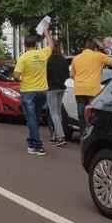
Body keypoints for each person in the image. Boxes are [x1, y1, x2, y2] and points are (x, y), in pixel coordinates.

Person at [13, 26, 54, 156]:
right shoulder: (42, 53)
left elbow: (15, 75)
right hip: (42, 91)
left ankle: (37, 146)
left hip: (28, 91)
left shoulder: (23, 58)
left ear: (25, 45)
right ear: (36, 44)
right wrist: (46, 32)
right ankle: (31, 143)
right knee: (35, 118)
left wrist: (20, 78)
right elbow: (52, 45)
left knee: (31, 119)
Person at [71, 38, 112, 136]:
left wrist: (80, 81)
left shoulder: (76, 58)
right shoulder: (99, 56)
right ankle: (91, 135)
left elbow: (72, 75)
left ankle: (83, 134)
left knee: (81, 114)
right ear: (95, 48)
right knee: (92, 114)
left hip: (79, 89)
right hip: (92, 90)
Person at [46, 40, 70, 147]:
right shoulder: (64, 60)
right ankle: (55, 136)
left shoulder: (49, 60)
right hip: (62, 88)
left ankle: (60, 136)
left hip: (52, 88)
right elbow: (67, 75)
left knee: (54, 113)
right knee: (58, 113)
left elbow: (46, 75)